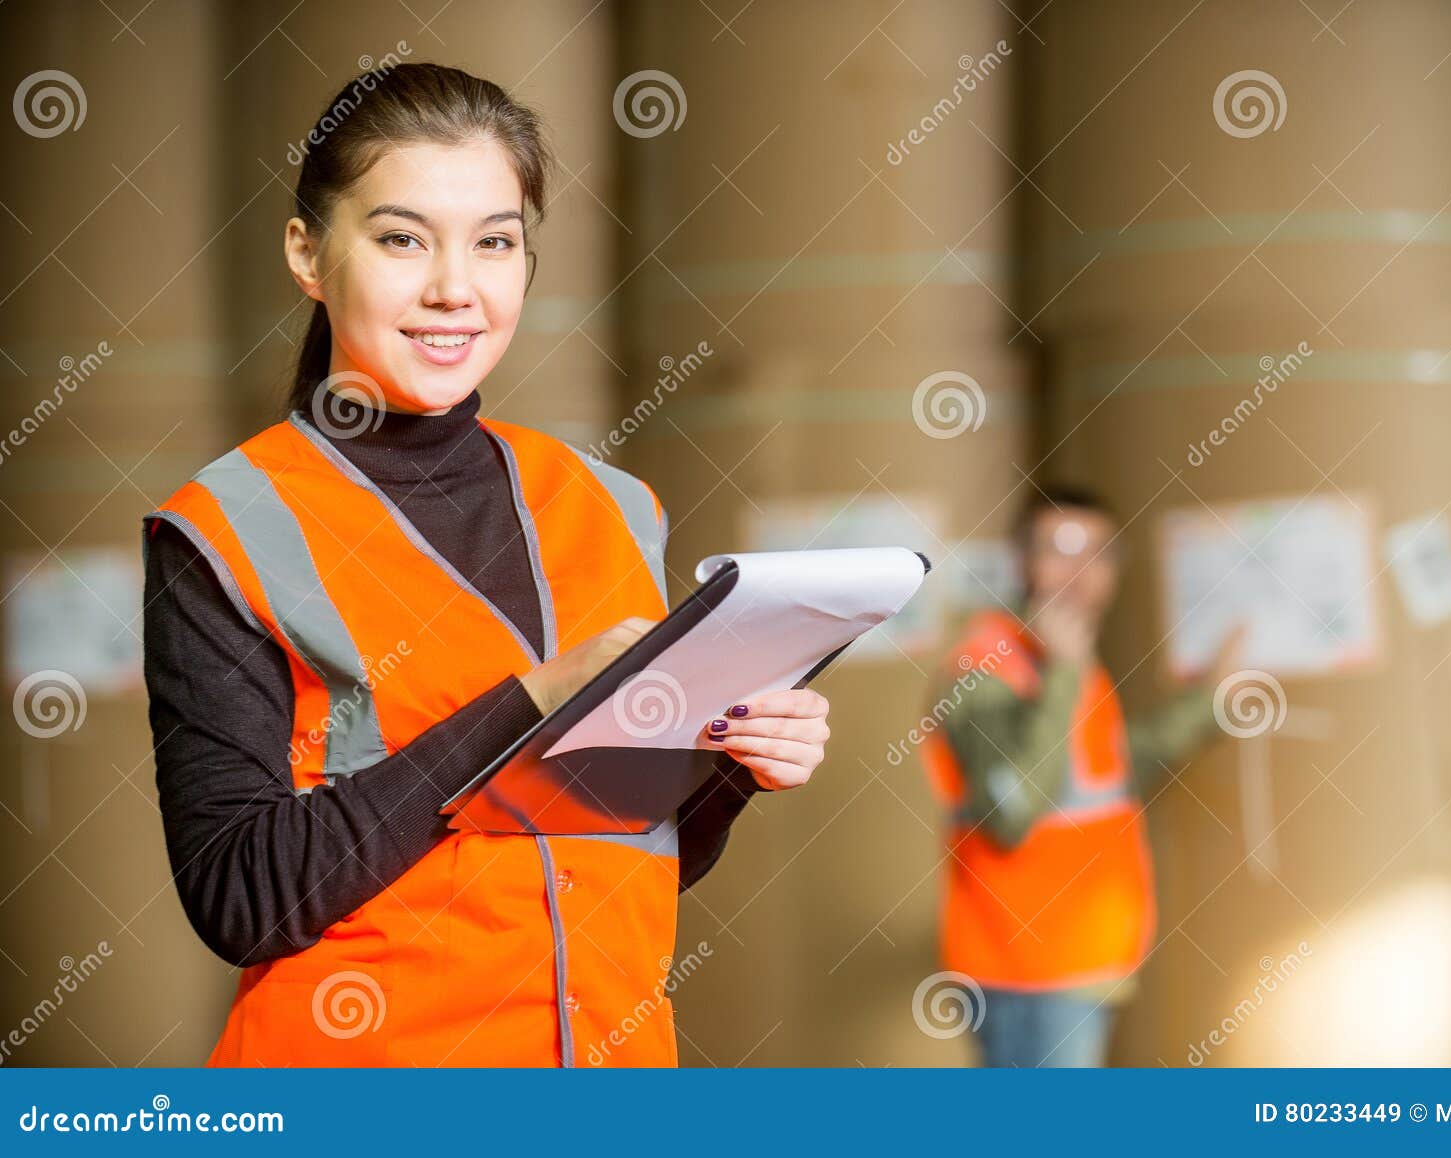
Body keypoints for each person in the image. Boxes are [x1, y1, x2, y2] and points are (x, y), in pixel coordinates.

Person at [141, 63, 831, 1068]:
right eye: (400, 238)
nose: (454, 288)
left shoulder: (611, 506)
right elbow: (243, 897)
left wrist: (731, 768)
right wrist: (530, 698)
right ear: (307, 253)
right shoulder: (228, 530)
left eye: (494, 242)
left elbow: (607, 859)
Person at [920, 485, 1242, 1067]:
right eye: (1060, 549)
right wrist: (1064, 673)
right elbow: (1014, 814)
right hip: (1026, 972)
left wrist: (1209, 703)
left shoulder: (1066, 659)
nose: (1080, 571)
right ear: (1021, 562)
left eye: (1098, 552)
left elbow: (1111, 772)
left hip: (1081, 961)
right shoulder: (987, 665)